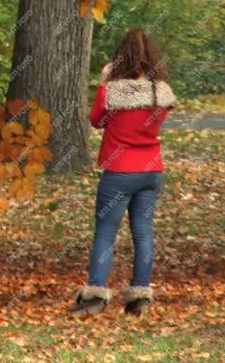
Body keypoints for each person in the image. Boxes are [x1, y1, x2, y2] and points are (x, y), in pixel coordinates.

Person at [70, 28, 177, 316]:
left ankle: (94, 296)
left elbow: (96, 120)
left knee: (105, 233)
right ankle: (139, 296)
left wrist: (103, 83)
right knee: (143, 233)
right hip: (151, 170)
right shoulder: (160, 92)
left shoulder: (114, 92)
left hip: (119, 171)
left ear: (121, 57)